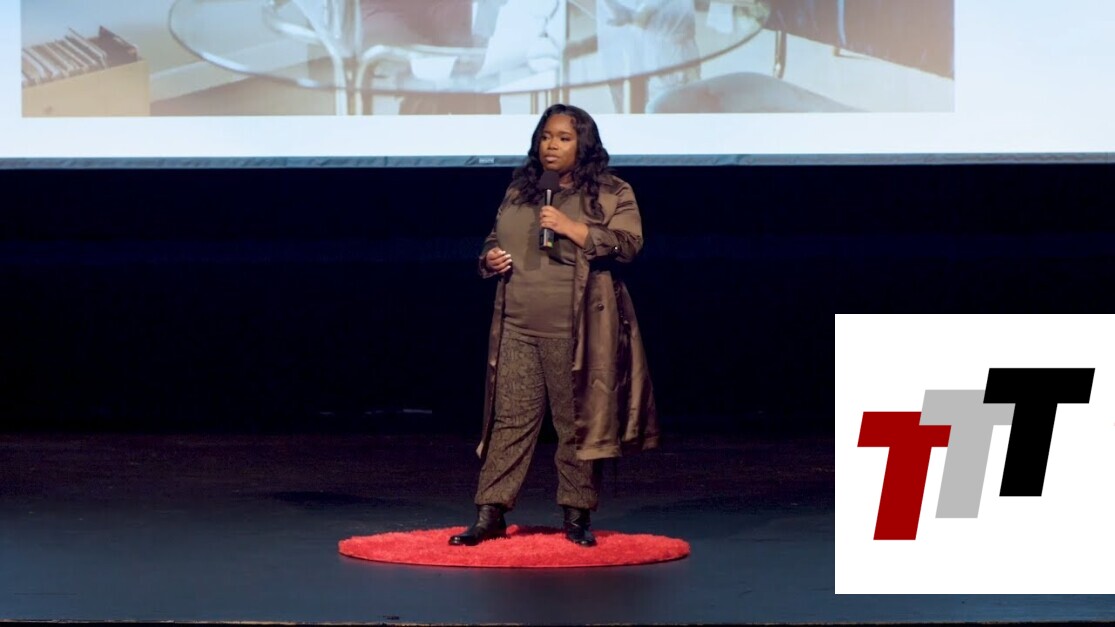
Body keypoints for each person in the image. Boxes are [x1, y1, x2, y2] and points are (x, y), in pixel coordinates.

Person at [449, 104, 658, 548]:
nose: (551, 146)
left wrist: (572, 228)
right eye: (546, 136)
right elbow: (494, 237)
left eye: (563, 138)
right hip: (518, 326)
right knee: (509, 422)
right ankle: (490, 512)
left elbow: (628, 245)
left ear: (584, 143)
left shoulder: (612, 191)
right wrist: (489, 258)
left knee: (576, 425)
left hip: (577, 330)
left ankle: (576, 516)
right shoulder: (522, 190)